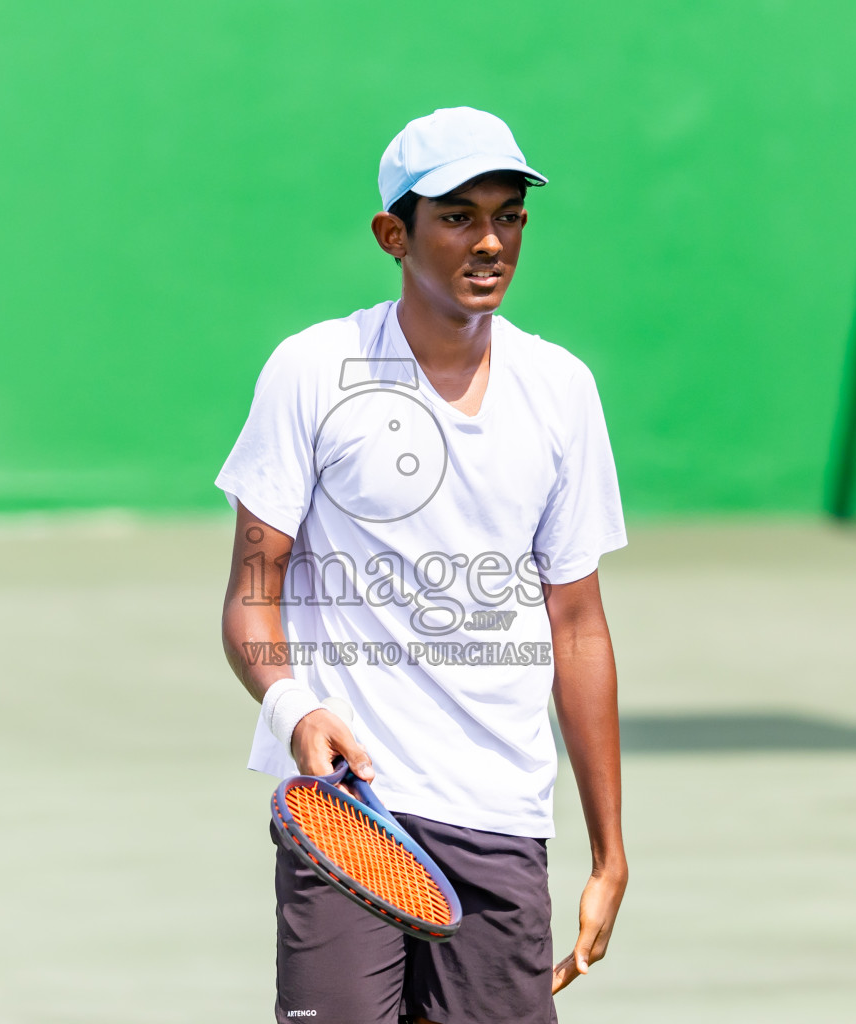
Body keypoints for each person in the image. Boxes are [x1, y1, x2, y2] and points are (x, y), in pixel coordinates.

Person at [218, 106, 627, 1024]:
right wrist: (297, 710)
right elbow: (251, 598)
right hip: (350, 812)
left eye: (508, 215)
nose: (489, 241)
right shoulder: (313, 370)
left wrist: (608, 851)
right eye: (457, 216)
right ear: (392, 235)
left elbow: (578, 625)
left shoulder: (562, 390)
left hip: (502, 818)